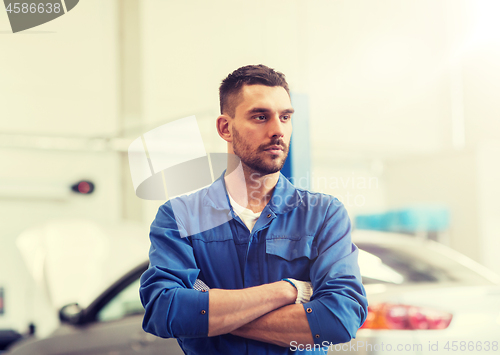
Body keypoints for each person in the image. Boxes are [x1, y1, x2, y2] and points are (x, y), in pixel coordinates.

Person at [139, 64, 367, 354]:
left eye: (285, 117)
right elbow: (164, 311)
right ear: (225, 128)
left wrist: (210, 310)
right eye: (261, 117)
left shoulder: (323, 214)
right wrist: (290, 290)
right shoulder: (180, 216)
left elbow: (339, 319)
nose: (277, 131)